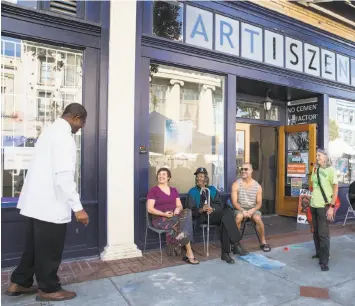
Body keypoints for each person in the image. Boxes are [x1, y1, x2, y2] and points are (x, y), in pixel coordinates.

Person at [5, 103, 89, 302]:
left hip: (34, 203)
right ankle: (49, 288)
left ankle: (20, 282)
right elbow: (64, 176)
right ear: (76, 118)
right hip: (51, 205)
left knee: (33, 247)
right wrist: (78, 208)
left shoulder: (48, 132)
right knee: (49, 250)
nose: (81, 128)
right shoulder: (64, 138)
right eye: (82, 123)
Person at [186, 167, 249, 264]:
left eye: (202, 176)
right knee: (227, 215)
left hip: (214, 215)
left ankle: (225, 253)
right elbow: (190, 210)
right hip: (202, 217)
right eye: (198, 176)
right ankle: (235, 245)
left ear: (206, 179)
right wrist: (201, 209)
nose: (199, 178)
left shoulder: (212, 189)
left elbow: (219, 204)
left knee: (226, 215)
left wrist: (213, 209)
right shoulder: (192, 191)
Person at [147, 167, 199, 264]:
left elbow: (180, 205)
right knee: (182, 223)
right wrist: (164, 214)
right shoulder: (153, 190)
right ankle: (189, 251)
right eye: (159, 174)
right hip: (160, 219)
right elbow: (150, 209)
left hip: (175, 217)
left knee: (187, 212)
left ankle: (176, 246)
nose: (161, 176)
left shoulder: (174, 190)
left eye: (163, 174)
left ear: (168, 178)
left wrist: (177, 208)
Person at [231, 163, 271, 252]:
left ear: (251, 171)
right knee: (238, 217)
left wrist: (251, 210)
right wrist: (243, 211)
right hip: (239, 208)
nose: (243, 171)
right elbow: (234, 202)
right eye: (242, 169)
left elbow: (259, 204)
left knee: (257, 218)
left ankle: (263, 242)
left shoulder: (257, 186)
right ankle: (235, 243)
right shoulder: (236, 184)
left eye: (246, 169)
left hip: (253, 209)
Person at [310, 149, 338, 272]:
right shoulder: (315, 169)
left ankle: (324, 260)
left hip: (324, 206)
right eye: (316, 156)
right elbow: (313, 185)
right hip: (313, 205)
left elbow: (335, 189)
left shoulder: (331, 170)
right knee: (315, 232)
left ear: (326, 157)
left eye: (319, 155)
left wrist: (331, 207)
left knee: (323, 234)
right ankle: (318, 253)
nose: (317, 158)